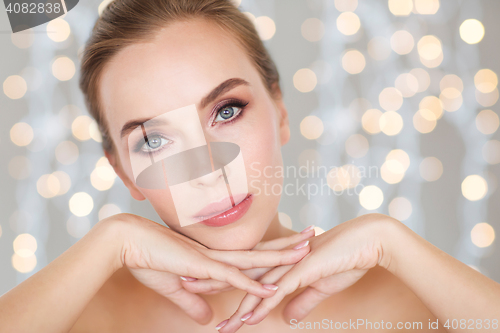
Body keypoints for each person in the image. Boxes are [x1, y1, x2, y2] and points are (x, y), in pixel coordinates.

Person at [1, 0, 499, 332]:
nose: (207, 170)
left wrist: (393, 243)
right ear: (124, 172)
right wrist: (111, 242)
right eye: (153, 140)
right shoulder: (86, 316)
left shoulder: (402, 304)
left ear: (279, 110)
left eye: (226, 111)